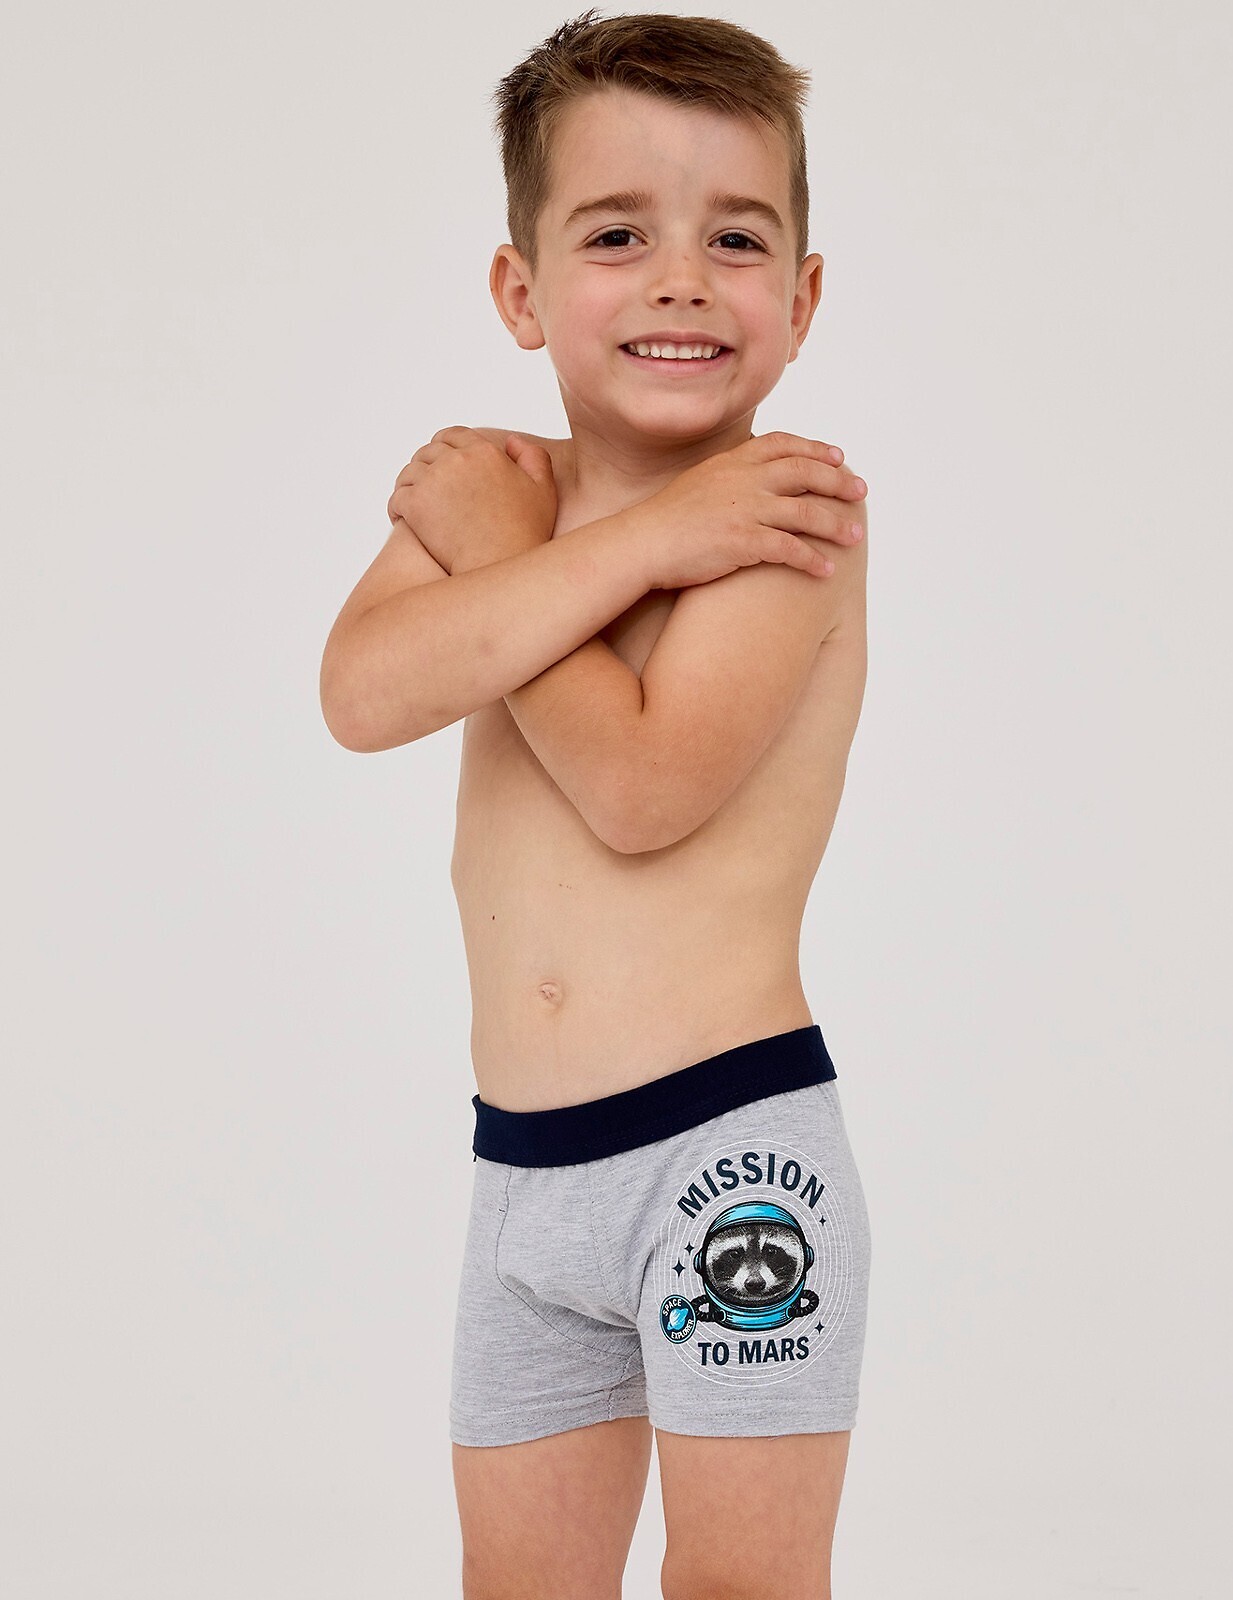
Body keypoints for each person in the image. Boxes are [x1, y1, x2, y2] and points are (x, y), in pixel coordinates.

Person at [320, 11, 872, 1598]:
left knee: (737, 1587)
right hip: (522, 1175)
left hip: (727, 1158)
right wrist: (576, 543)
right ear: (521, 290)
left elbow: (638, 788)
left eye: (736, 239)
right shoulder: (503, 489)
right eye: (618, 234)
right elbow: (363, 697)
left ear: (801, 300)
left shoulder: (784, 516)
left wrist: (524, 561)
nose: (681, 280)